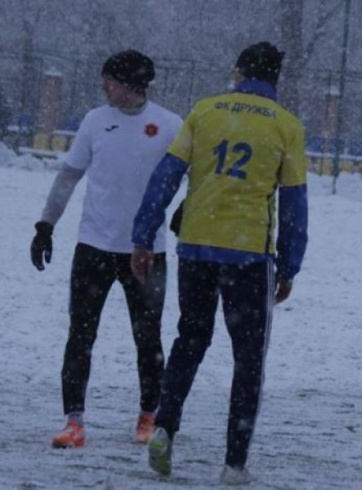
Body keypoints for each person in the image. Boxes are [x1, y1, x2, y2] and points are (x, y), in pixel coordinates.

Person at [130, 42, 308, 485]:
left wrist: (143, 235)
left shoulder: (205, 111)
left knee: (190, 339)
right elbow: (294, 204)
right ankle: (233, 463)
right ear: (275, 78)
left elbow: (166, 176)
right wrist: (290, 264)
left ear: (239, 71)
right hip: (248, 252)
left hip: (196, 245)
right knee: (248, 358)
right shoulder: (287, 126)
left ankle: (165, 427)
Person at [29, 51, 182, 449]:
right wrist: (46, 225)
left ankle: (148, 415)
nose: (103, 87)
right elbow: (69, 175)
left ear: (131, 84)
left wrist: (184, 211)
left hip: (147, 251)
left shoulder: (169, 125)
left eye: (110, 81)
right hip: (93, 247)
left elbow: (195, 176)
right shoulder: (96, 121)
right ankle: (74, 421)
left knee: (147, 338)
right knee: (80, 335)